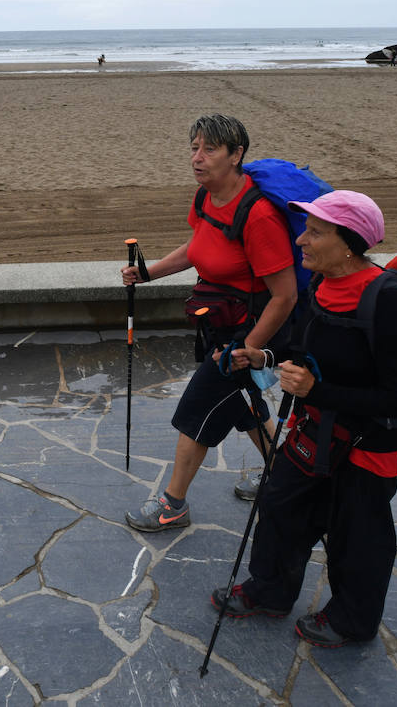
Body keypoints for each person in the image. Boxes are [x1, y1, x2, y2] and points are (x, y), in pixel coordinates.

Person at [210, 189, 397, 648]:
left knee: (357, 537)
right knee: (279, 504)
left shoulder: (388, 301)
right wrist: (260, 356)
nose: (302, 242)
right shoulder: (322, 286)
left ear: (348, 242)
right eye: (305, 231)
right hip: (317, 432)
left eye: (315, 233)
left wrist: (316, 391)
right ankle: (269, 591)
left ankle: (352, 621)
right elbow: (299, 349)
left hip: (368, 446)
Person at [122, 114, 298, 532]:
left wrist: (247, 350)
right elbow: (197, 247)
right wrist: (151, 273)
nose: (197, 159)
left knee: (195, 412)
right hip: (220, 323)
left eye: (210, 150)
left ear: (237, 155)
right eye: (194, 148)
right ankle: (284, 476)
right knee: (243, 405)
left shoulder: (257, 216)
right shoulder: (206, 197)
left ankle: (173, 504)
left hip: (247, 330)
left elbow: (286, 295)